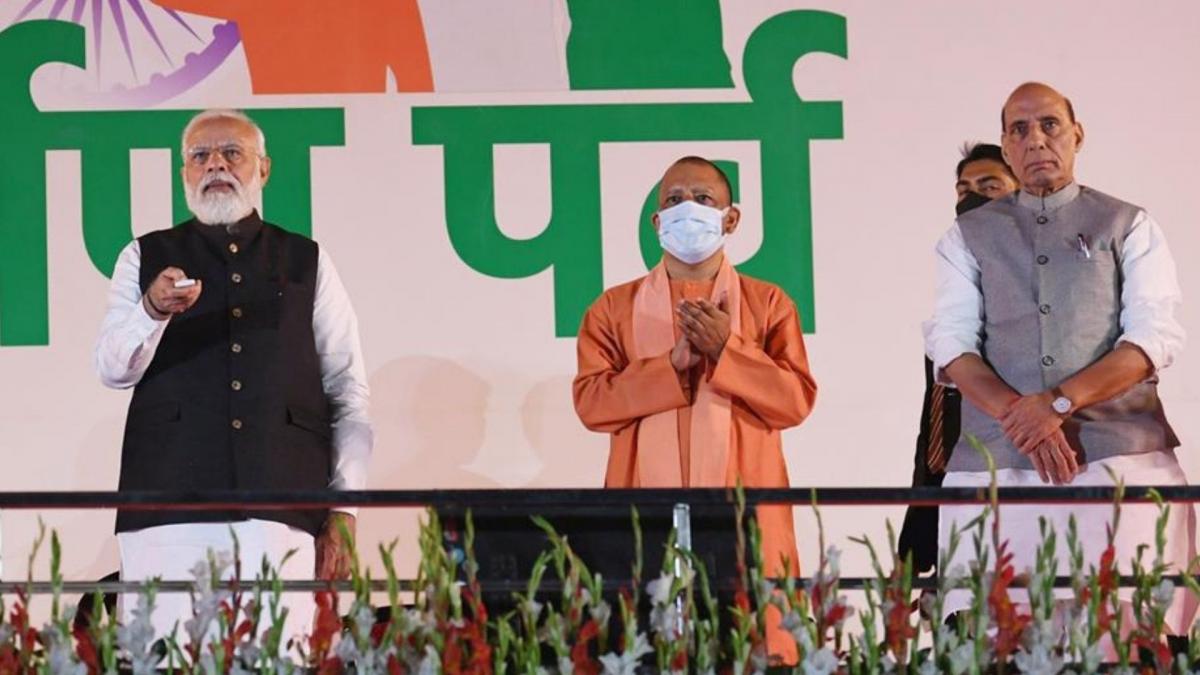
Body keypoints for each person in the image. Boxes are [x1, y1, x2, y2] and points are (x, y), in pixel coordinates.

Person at [924, 82, 1195, 632]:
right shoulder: (966, 236)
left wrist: (1058, 403)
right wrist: (1025, 418)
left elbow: (1152, 338)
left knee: (1134, 636)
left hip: (1123, 459)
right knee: (994, 639)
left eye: (1050, 125)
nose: (1037, 140)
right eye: (1019, 130)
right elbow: (952, 344)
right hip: (997, 466)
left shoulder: (1129, 223)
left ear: (1077, 135)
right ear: (1005, 145)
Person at [95, 109, 372, 644]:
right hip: (167, 513)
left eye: (232, 153)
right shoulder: (143, 257)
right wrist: (151, 311)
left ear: (263, 170)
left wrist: (344, 508)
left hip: (284, 509)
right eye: (200, 156)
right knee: (168, 654)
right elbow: (111, 369)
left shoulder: (307, 260)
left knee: (279, 655)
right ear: (183, 175)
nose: (215, 164)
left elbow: (348, 389)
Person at [573, 156, 818, 661]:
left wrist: (728, 350)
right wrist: (669, 366)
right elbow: (591, 402)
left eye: (703, 200)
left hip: (743, 520)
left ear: (731, 219)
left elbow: (795, 400)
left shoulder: (768, 304)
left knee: (748, 647)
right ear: (657, 222)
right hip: (642, 522)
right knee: (645, 649)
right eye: (673, 201)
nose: (688, 209)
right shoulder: (612, 309)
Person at [898, 143, 1017, 574]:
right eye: (963, 188)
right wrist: (916, 553)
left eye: (990, 186)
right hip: (959, 513)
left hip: (1024, 498)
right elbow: (934, 437)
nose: (972, 198)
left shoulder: (1045, 297)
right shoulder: (950, 310)